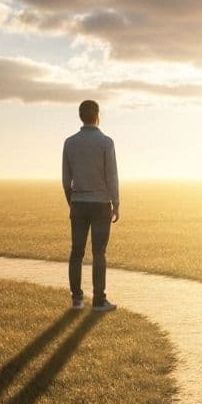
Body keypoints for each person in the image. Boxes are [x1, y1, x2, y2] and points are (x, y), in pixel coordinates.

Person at [62, 99, 119, 311]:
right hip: (101, 203)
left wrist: (72, 201)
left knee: (76, 252)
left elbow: (66, 179)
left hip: (78, 202)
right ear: (97, 115)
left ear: (80, 116)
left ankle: (77, 299)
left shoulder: (70, 142)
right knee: (99, 253)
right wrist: (117, 202)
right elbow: (111, 176)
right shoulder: (106, 142)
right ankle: (98, 300)